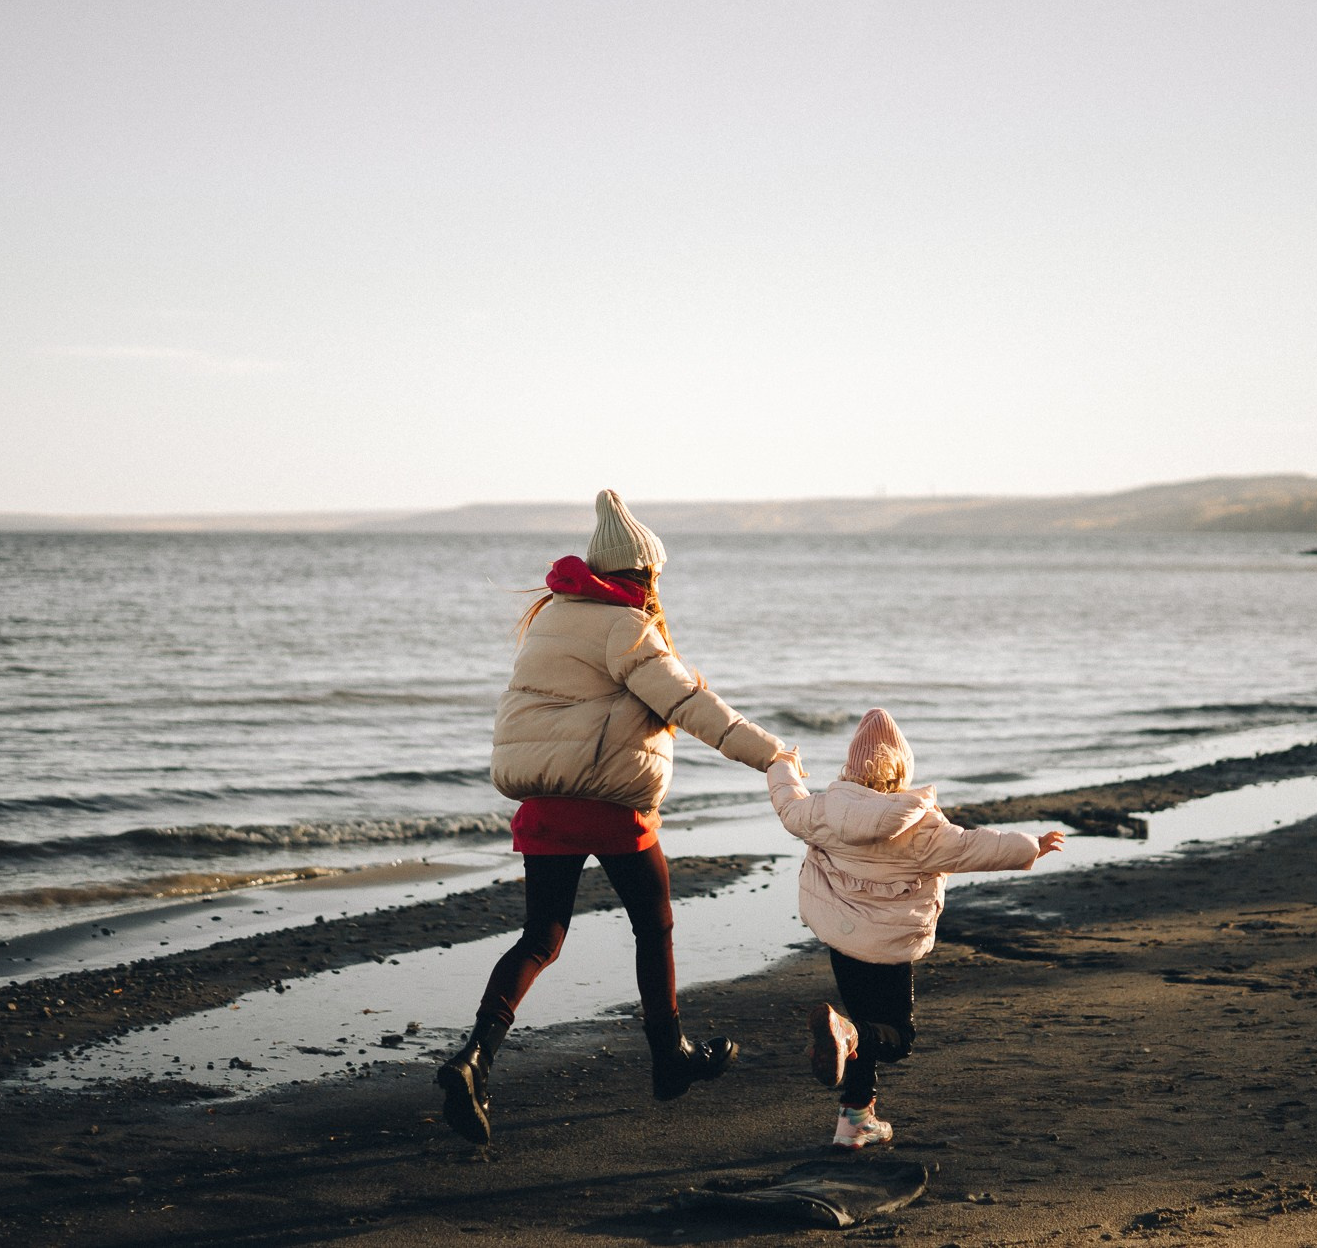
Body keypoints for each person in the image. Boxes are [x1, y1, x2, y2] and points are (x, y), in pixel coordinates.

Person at [437, 490, 794, 1144]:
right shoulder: (626, 625)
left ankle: (474, 1058)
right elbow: (689, 704)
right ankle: (669, 1056)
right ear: (644, 571)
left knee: (540, 937)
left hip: (544, 802)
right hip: (607, 804)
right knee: (653, 924)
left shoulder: (552, 617)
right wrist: (772, 754)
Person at [766, 707, 1065, 1149]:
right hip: (889, 945)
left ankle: (854, 1121)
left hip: (842, 938)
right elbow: (971, 847)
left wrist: (781, 762)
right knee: (896, 1038)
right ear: (901, 770)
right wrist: (1030, 846)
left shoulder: (824, 811)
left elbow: (788, 803)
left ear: (851, 767)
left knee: (860, 1023)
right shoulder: (920, 826)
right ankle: (848, 1041)